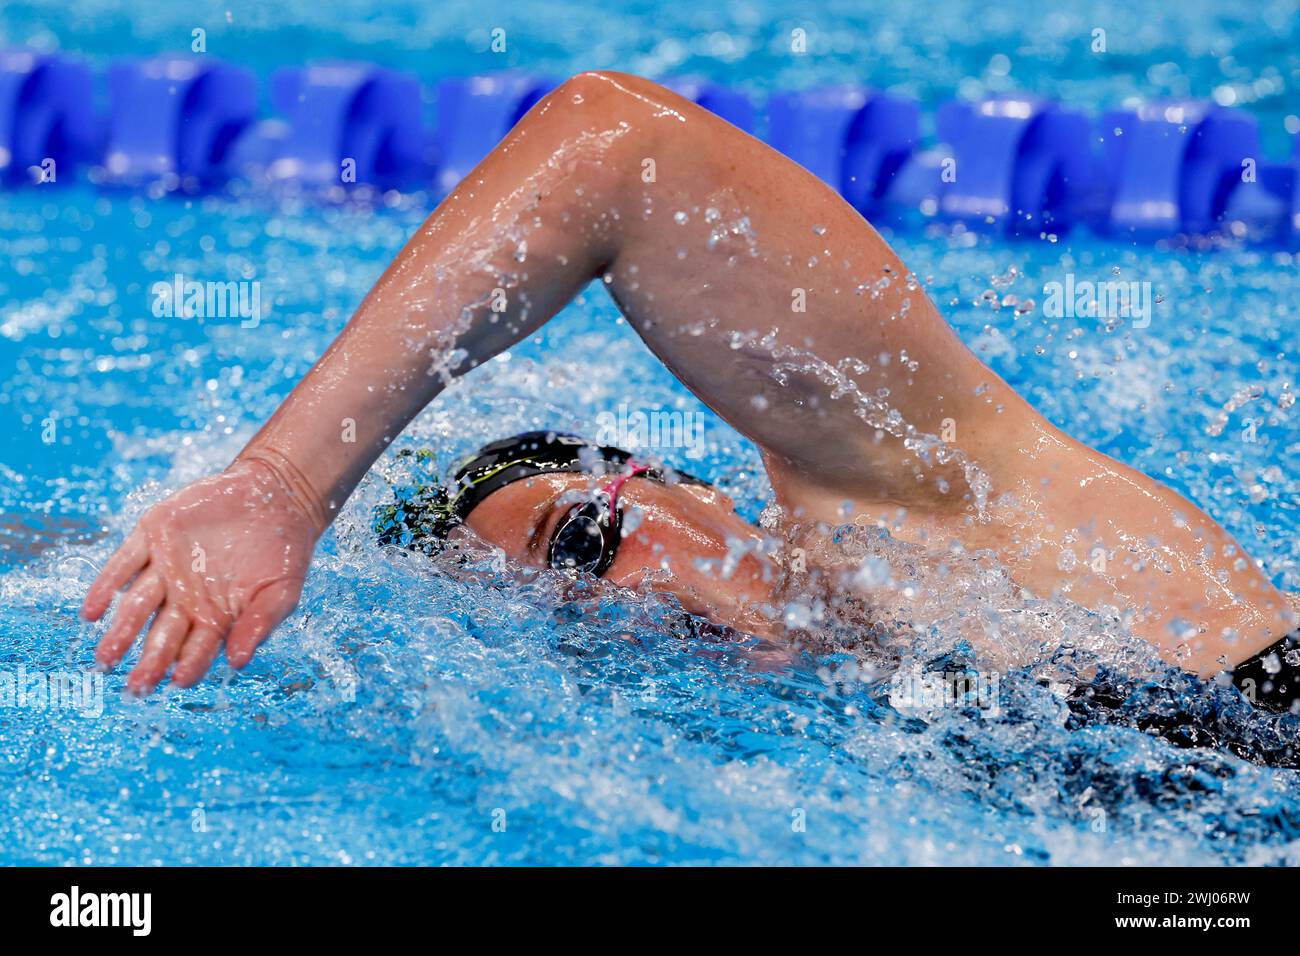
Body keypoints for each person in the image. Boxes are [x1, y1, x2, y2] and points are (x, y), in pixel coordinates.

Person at [80, 71, 1297, 706]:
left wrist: (281, 482)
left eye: (583, 542)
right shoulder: (872, 743)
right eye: (554, 617)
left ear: (662, 482)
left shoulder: (911, 492)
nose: (610, 608)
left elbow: (619, 150)